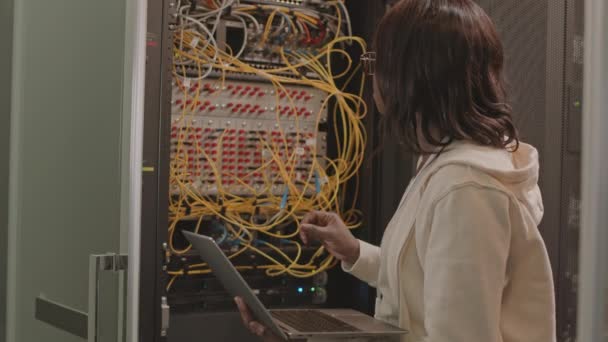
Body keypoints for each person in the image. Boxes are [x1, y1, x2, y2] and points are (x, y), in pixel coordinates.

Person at [235, 0, 557, 341]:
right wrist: (355, 252)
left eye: (377, 63)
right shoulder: (447, 165)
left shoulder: (466, 189)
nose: (373, 77)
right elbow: (425, 278)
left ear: (412, 78)